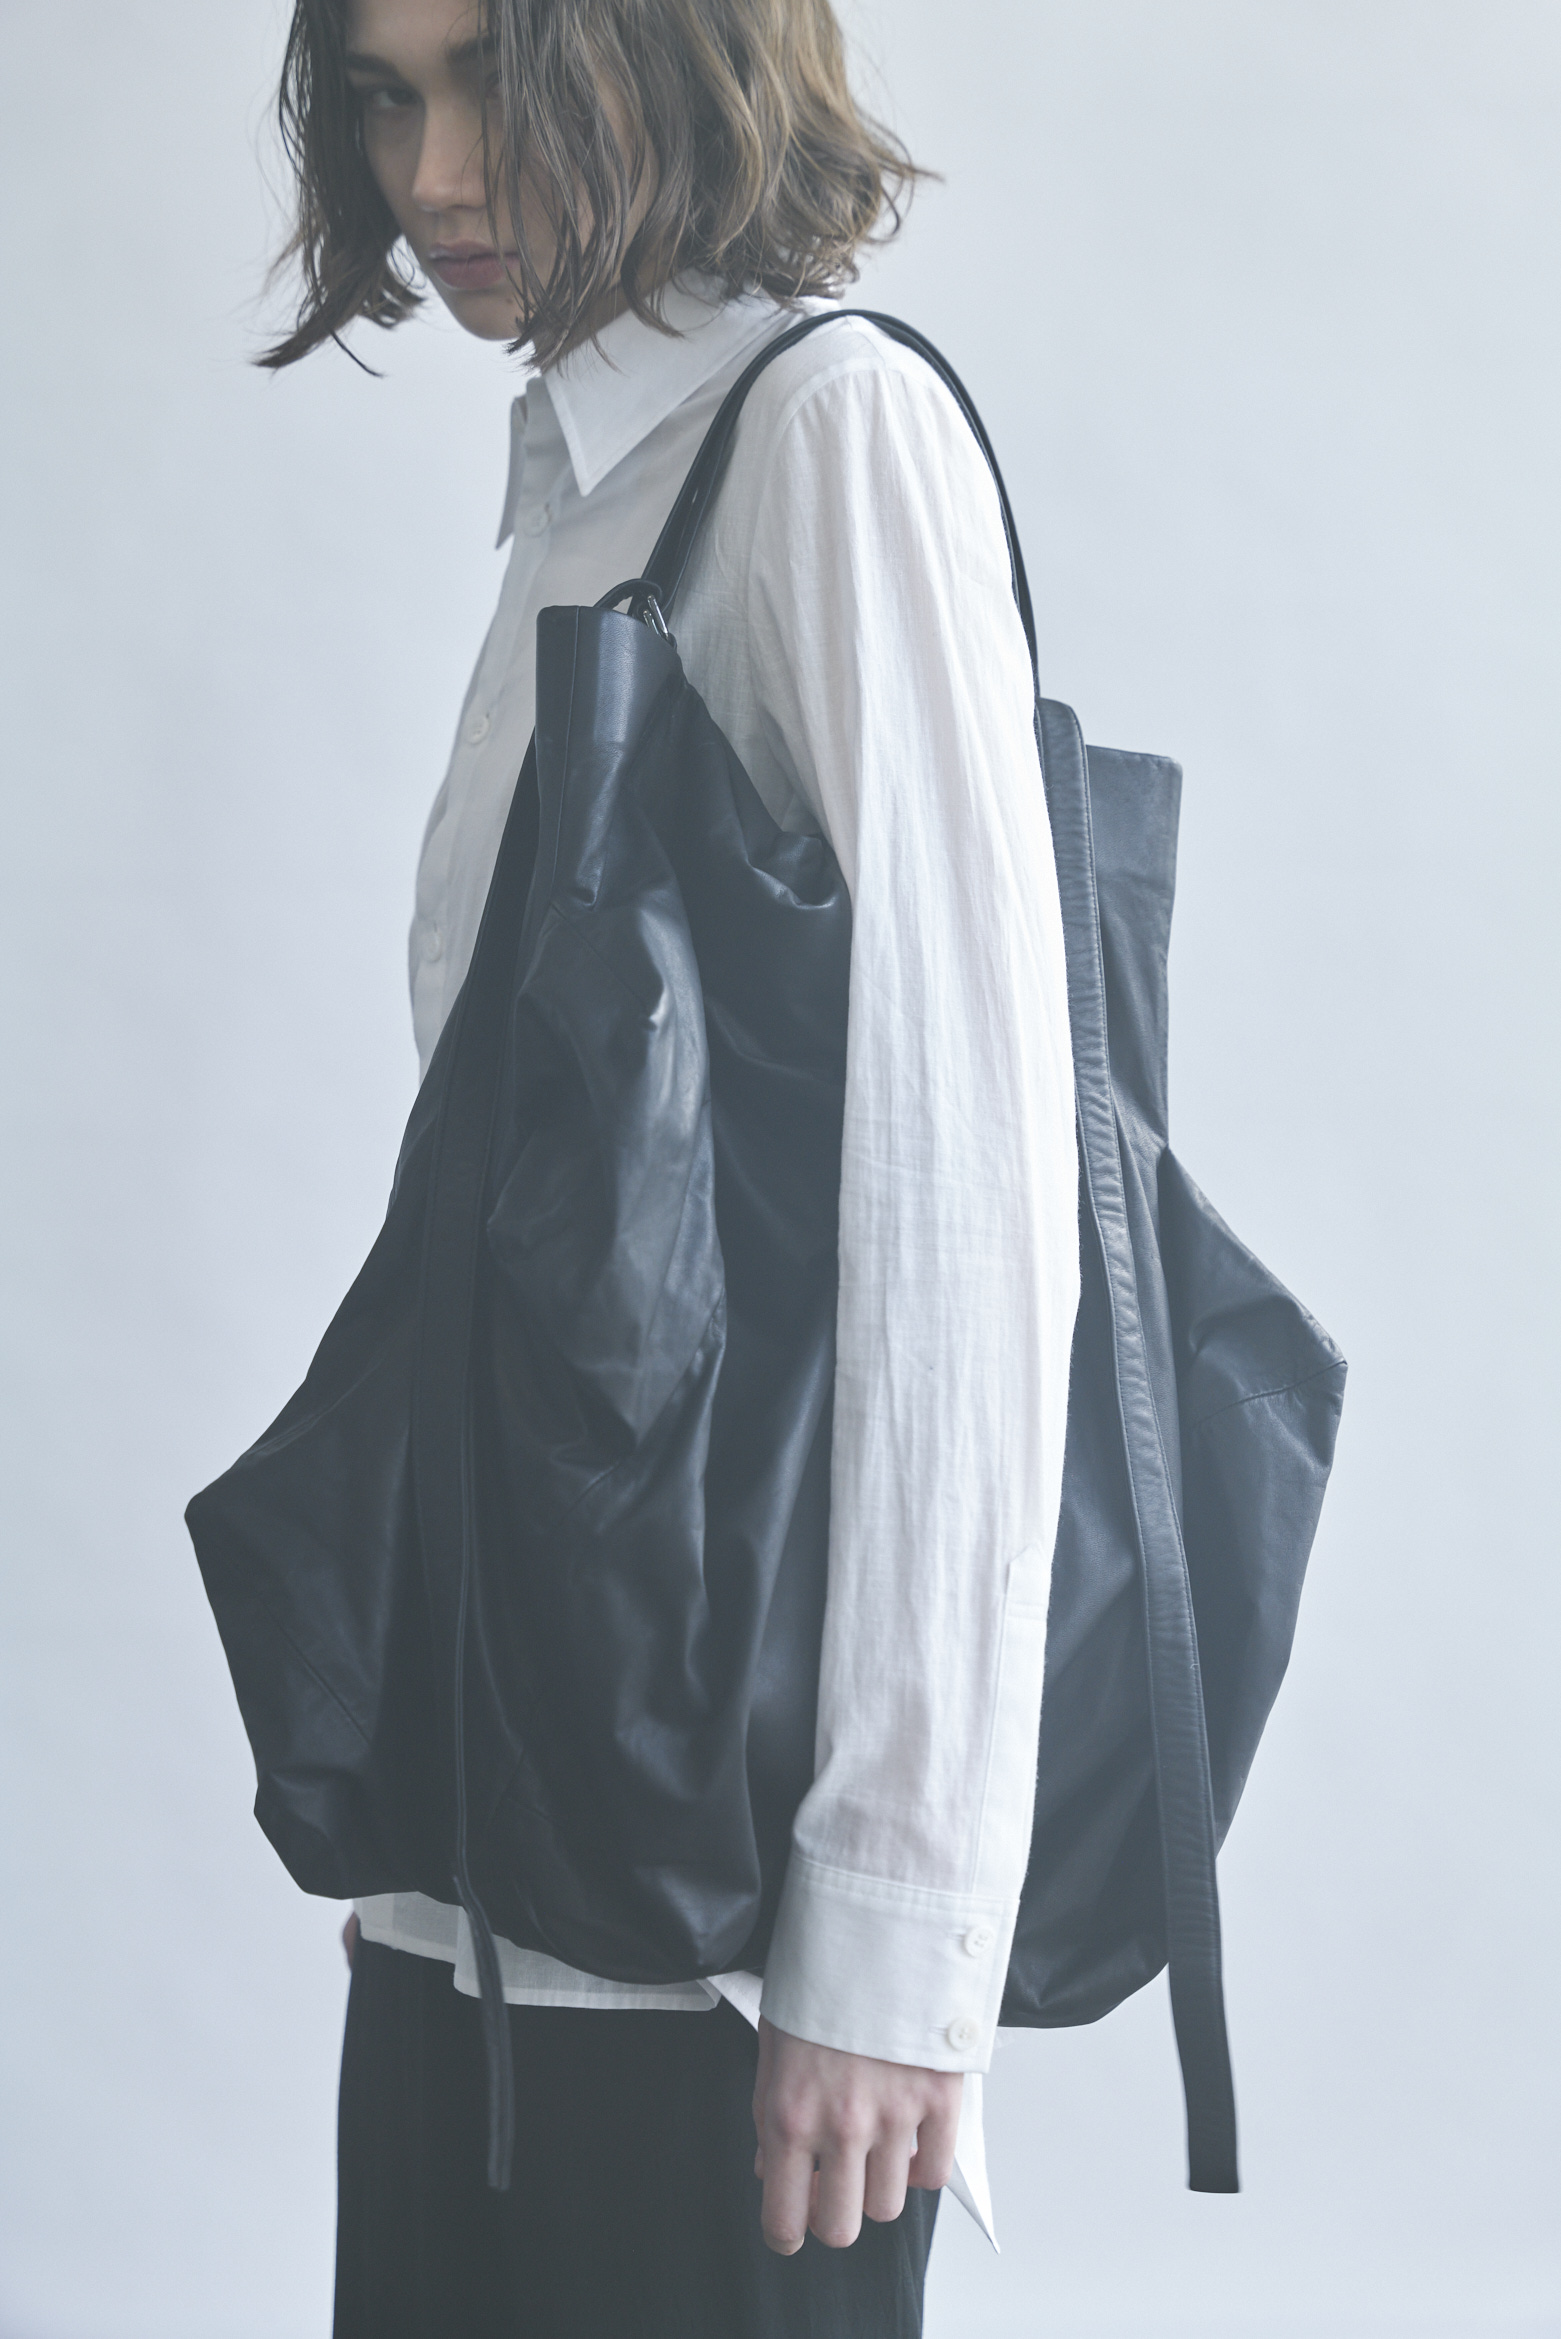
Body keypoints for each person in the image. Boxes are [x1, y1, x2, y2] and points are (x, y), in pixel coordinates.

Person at [260, 1, 1079, 2331]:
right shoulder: (584, 473)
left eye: (497, 79)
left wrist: (896, 1925)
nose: (435, 172)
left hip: (720, 1935)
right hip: (481, 1874)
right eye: (386, 94)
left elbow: (962, 1202)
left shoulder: (826, 436)